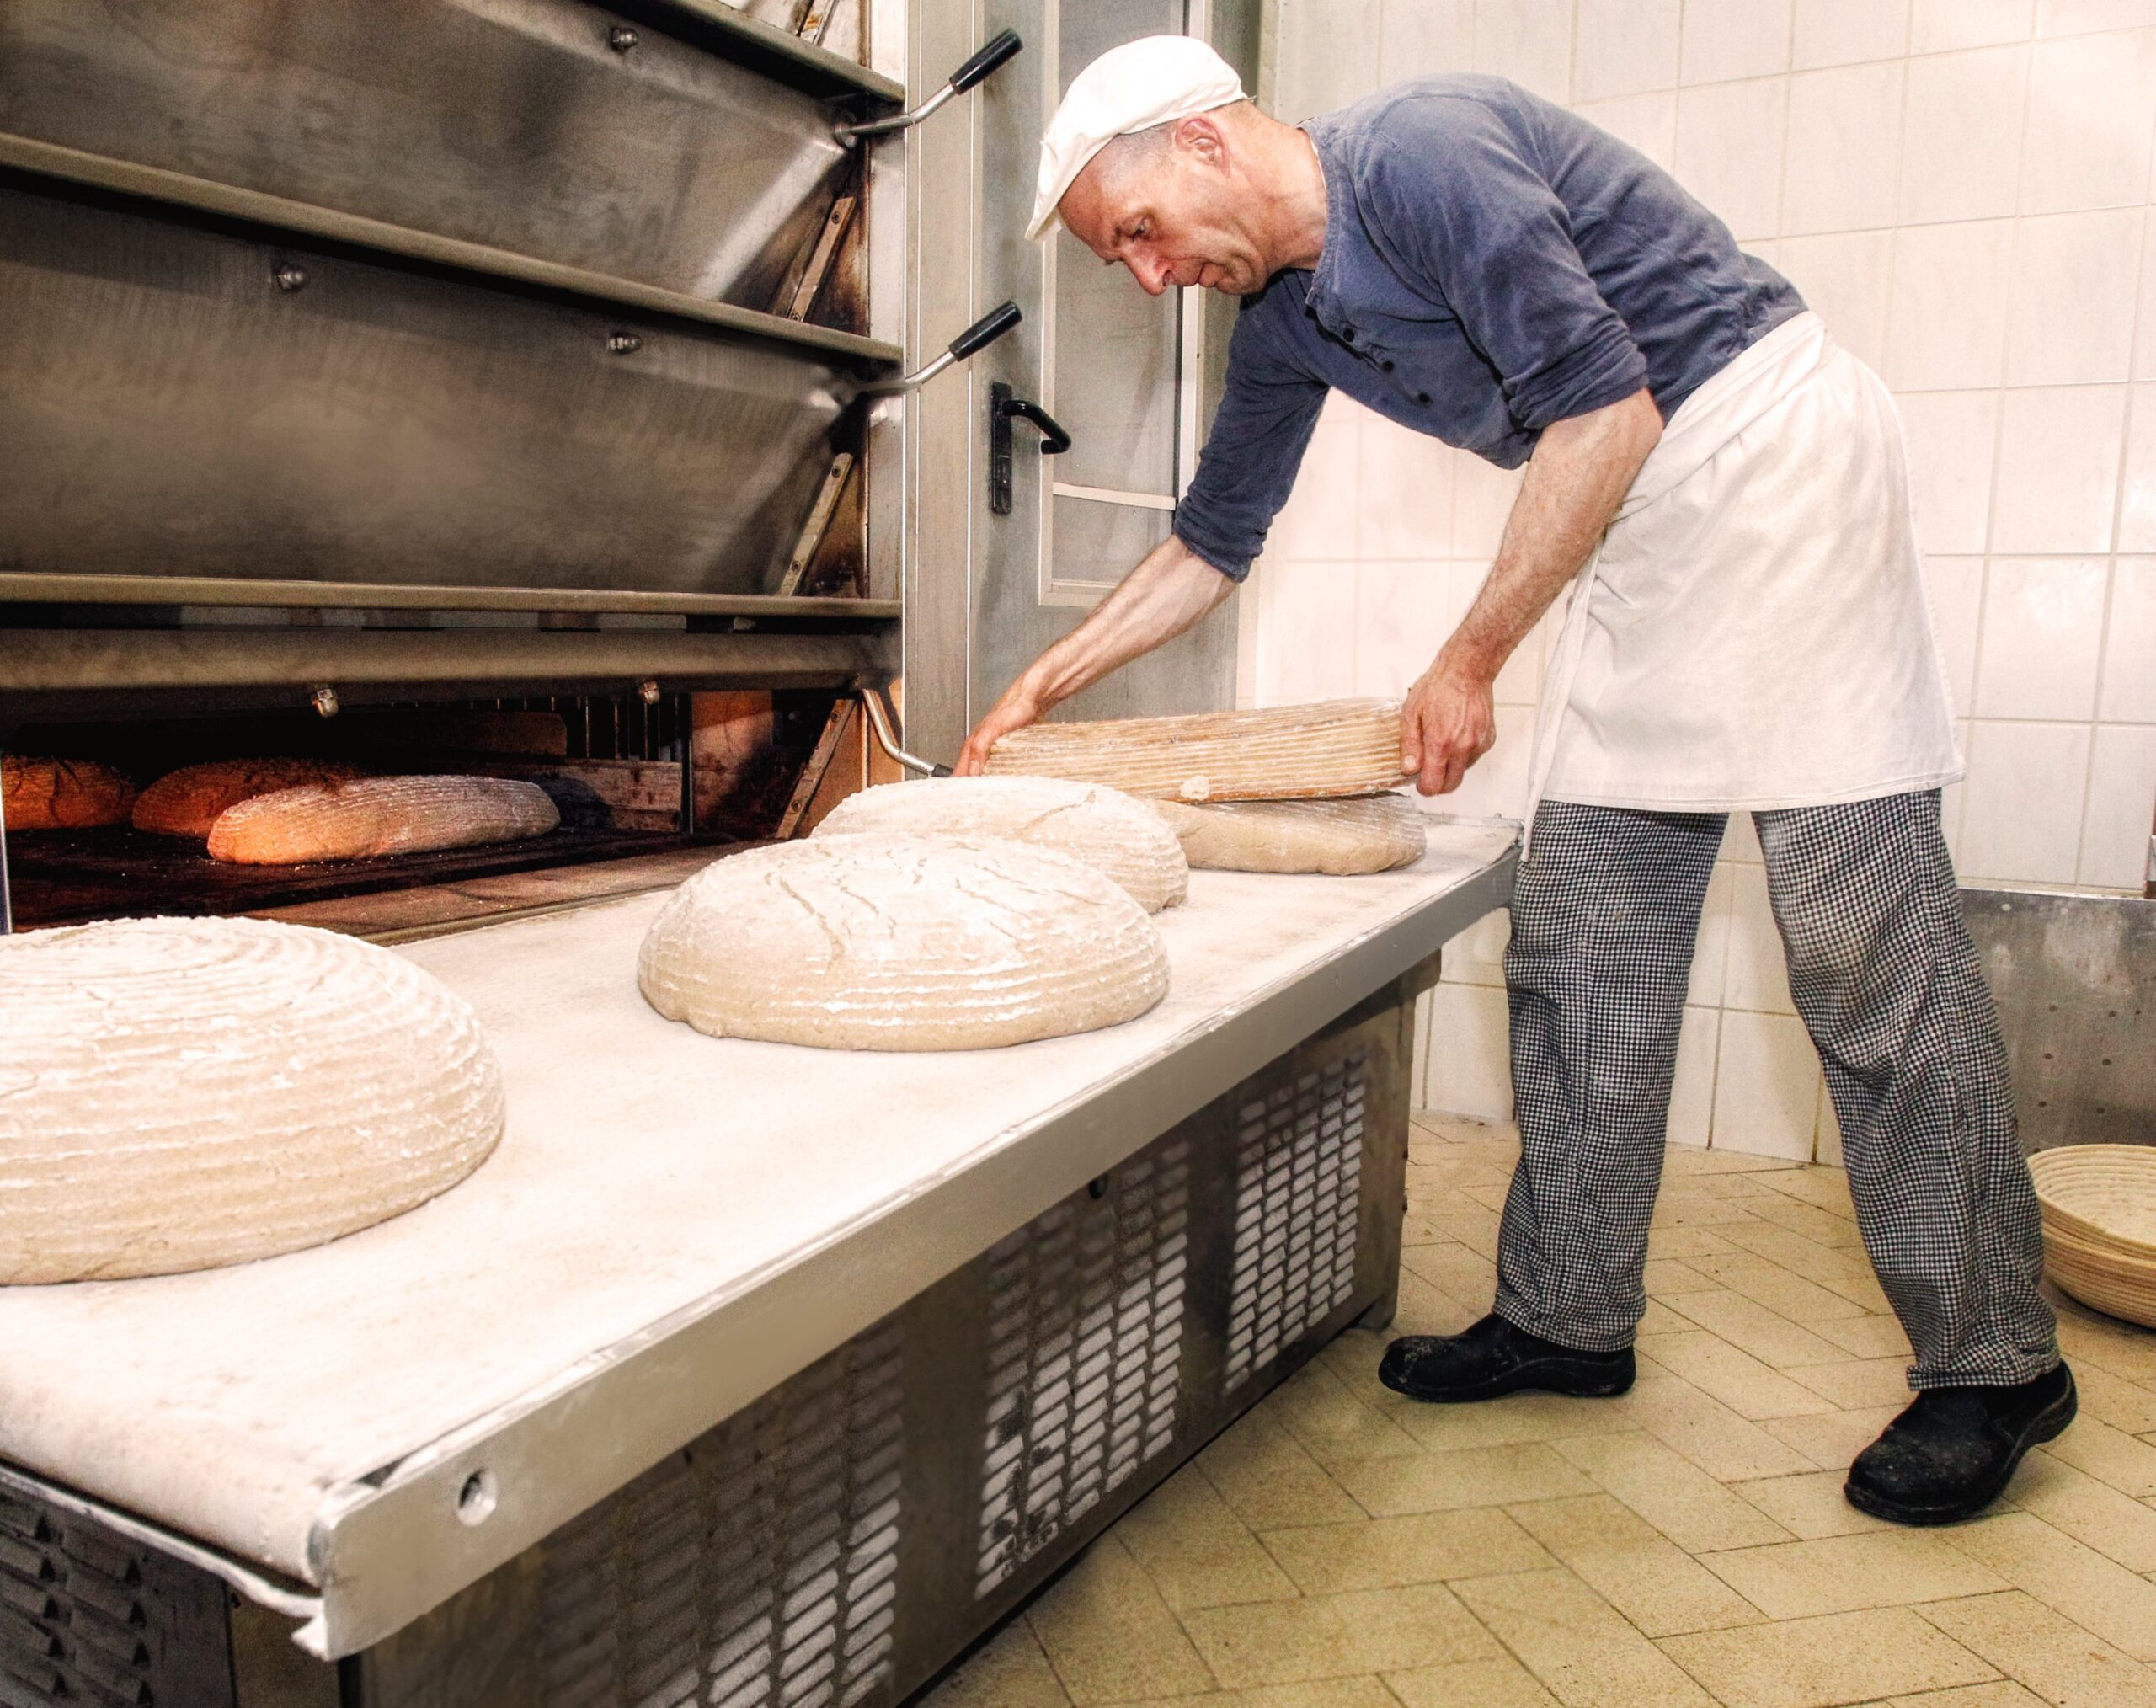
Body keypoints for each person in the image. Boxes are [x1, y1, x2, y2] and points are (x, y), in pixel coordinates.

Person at [957, 35, 2075, 1526]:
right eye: (1124, 264)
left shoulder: (1418, 153)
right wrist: (1043, 680)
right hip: (1641, 518)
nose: (1151, 278)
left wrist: (1469, 656)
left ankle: (1996, 1362)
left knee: (1857, 933)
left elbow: (1606, 407)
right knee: (1586, 933)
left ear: (1206, 142)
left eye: (1140, 234)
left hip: (1762, 446)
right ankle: (1568, 1317)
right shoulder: (1286, 319)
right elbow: (1215, 542)